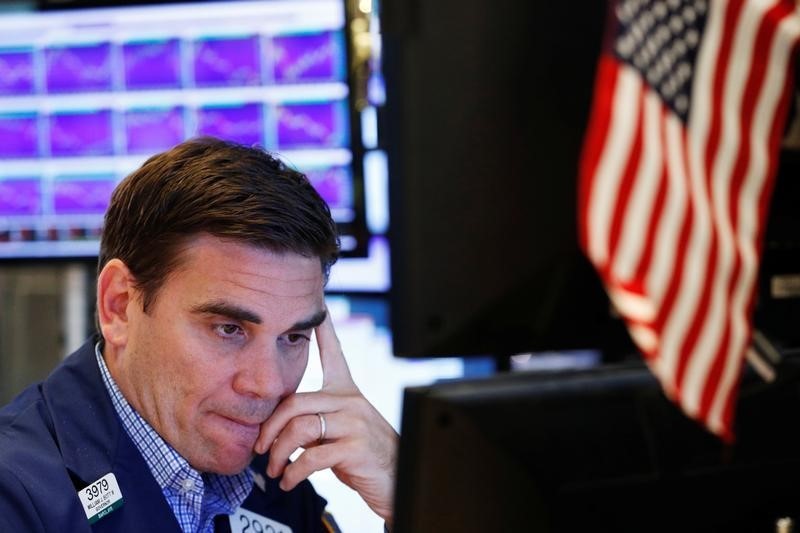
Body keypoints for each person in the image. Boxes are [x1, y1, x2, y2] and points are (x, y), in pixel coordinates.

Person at [0, 137, 399, 532]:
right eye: (229, 329)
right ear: (119, 306)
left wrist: (408, 497)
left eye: (294, 337)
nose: (268, 385)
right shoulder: (15, 494)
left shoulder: (271, 482)